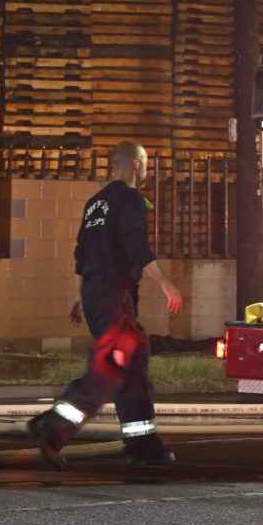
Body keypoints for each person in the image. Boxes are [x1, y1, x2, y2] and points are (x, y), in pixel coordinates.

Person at [28, 141, 183, 468]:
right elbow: (136, 244)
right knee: (111, 366)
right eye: (145, 164)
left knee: (132, 363)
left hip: (95, 292)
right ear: (136, 164)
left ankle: (141, 442)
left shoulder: (94, 204)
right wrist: (166, 283)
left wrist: (79, 296)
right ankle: (55, 424)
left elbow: (81, 253)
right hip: (114, 292)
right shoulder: (129, 198)